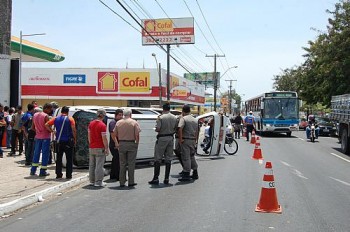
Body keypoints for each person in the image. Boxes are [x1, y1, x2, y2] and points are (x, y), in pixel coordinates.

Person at [148, 103, 177, 185]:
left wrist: (157, 129)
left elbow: (158, 129)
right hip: (171, 138)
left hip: (162, 138)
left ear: (163, 109)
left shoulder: (160, 117)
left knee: (158, 158)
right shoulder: (174, 117)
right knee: (168, 158)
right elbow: (175, 128)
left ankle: (156, 178)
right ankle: (166, 178)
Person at [46, 106, 76, 179]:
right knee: (69, 159)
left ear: (61, 111)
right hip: (68, 141)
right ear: (67, 112)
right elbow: (73, 130)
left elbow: (46, 125)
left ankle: (58, 174)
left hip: (59, 141)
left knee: (59, 158)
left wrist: (52, 131)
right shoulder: (70, 119)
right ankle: (69, 175)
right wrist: (75, 139)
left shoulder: (56, 118)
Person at [114, 108, 141, 187]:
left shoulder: (118, 123)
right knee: (131, 164)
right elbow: (137, 135)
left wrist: (117, 142)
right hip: (131, 143)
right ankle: (131, 181)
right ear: (130, 114)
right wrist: (137, 144)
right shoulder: (134, 122)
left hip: (122, 143)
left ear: (123, 114)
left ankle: (122, 182)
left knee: (122, 164)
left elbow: (114, 133)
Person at [30, 103, 53, 176]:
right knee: (45, 154)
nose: (50, 111)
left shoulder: (35, 115)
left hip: (38, 137)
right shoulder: (46, 116)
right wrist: (52, 131)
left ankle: (33, 170)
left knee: (36, 153)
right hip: (45, 137)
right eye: (50, 109)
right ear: (47, 108)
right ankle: (42, 171)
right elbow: (47, 127)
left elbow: (32, 128)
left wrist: (38, 131)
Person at [88, 108, 109, 187]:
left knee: (92, 165)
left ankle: (91, 181)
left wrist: (91, 144)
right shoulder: (102, 125)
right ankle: (98, 182)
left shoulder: (91, 123)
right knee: (99, 166)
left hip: (92, 146)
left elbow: (89, 136)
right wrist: (106, 148)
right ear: (103, 115)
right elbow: (104, 138)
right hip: (100, 147)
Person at [178, 105, 199, 181]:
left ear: (183, 111)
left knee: (186, 157)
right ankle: (195, 171)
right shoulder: (195, 119)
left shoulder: (183, 119)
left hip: (185, 140)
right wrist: (195, 140)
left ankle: (186, 173)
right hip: (192, 140)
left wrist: (180, 139)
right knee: (191, 156)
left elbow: (180, 129)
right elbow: (197, 131)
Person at [109, 109, 123, 181]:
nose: (121, 116)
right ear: (116, 115)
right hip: (114, 144)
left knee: (115, 160)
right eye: (119, 115)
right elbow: (112, 134)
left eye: (122, 115)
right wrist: (116, 143)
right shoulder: (113, 123)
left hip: (118, 143)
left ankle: (113, 175)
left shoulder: (119, 123)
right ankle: (117, 176)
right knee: (117, 159)